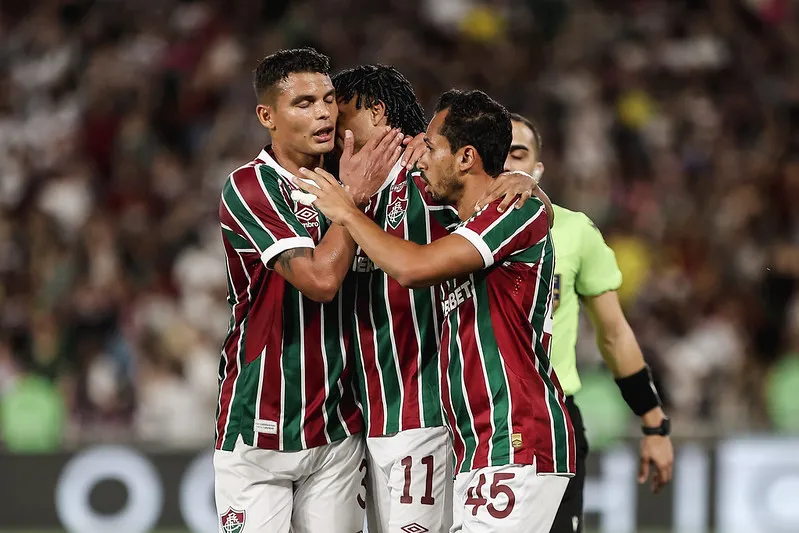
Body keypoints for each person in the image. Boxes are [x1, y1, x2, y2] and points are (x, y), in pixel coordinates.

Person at [297, 89, 575, 533]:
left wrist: (347, 213)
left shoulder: (512, 211)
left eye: (430, 146)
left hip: (517, 431)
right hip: (477, 441)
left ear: (465, 157)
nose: (420, 157)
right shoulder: (465, 226)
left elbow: (412, 268)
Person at [214, 47, 404, 533]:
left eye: (327, 99)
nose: (322, 112)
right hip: (261, 427)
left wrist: (519, 178)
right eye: (302, 103)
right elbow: (319, 281)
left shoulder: (357, 168)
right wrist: (353, 202)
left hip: (338, 427)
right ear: (267, 116)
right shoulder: (251, 187)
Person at [500, 113, 675, 533]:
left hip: (553, 419)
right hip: (469, 418)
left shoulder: (575, 231)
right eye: (497, 153)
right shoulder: (446, 231)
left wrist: (654, 423)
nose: (507, 165)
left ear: (537, 169)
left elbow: (614, 335)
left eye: (518, 154)